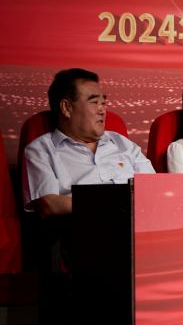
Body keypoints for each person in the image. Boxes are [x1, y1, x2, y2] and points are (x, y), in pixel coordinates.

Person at [22, 68, 154, 217]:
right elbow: (49, 204)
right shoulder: (41, 150)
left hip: (139, 222)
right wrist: (117, 204)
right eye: (94, 102)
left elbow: (154, 188)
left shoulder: (122, 143)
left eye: (103, 103)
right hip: (81, 225)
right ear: (66, 108)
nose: (102, 110)